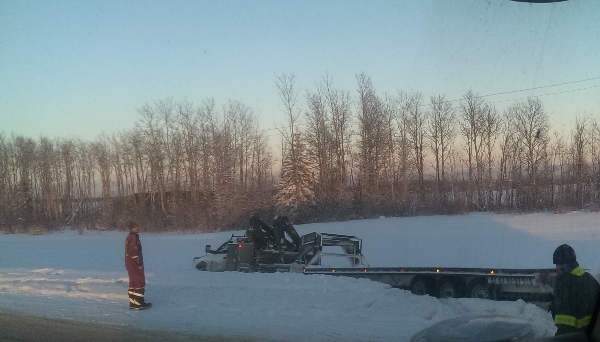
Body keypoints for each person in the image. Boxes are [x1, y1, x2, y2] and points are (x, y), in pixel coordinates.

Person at [551, 244, 599, 336]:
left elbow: (566, 316)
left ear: (570, 263)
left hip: (573, 335)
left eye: (561, 263)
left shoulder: (567, 282)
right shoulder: (587, 278)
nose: (558, 267)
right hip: (585, 334)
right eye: (556, 264)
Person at [125, 221, 151, 310]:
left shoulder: (131, 237)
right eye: (136, 227)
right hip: (134, 264)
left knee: (133, 282)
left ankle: (133, 302)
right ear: (132, 228)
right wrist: (138, 263)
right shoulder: (133, 238)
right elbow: (134, 252)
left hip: (130, 263)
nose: (138, 228)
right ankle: (139, 303)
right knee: (139, 282)